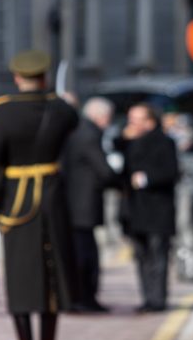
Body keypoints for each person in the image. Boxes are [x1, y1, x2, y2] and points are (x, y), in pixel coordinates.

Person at [0, 50, 79, 340]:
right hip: (53, 199)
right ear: (44, 77)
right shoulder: (62, 110)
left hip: (16, 204)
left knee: (21, 283)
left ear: (18, 78)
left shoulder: (4, 112)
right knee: (51, 282)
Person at [118, 103, 179, 313]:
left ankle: (158, 299)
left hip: (157, 211)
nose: (132, 124)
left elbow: (171, 172)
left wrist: (146, 179)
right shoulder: (129, 143)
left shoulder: (164, 142)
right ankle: (147, 297)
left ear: (150, 121)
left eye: (137, 119)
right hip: (136, 211)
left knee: (158, 256)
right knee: (141, 257)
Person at [64, 97, 117, 313]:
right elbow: (103, 170)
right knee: (85, 256)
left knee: (82, 252)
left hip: (75, 205)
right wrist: (120, 182)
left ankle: (81, 298)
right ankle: (84, 299)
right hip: (82, 206)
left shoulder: (79, 131)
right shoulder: (89, 134)